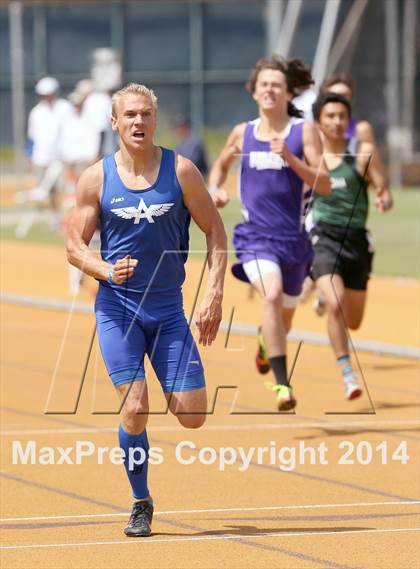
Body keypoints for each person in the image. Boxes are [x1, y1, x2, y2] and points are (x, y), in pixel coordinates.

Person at [66, 83, 227, 536]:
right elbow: (74, 245)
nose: (138, 122)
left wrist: (213, 293)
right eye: (129, 115)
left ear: (155, 120)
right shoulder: (96, 178)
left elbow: (216, 232)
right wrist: (102, 268)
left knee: (193, 415)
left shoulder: (182, 172)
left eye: (146, 114)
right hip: (118, 310)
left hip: (168, 311)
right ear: (114, 122)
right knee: (135, 407)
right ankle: (141, 501)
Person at [208, 55, 330, 411]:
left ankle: (266, 343)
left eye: (276, 84)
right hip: (255, 238)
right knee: (272, 296)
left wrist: (291, 159)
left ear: (288, 91)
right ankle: (282, 385)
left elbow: (323, 185)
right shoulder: (242, 133)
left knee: (284, 313)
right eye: (264, 84)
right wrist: (215, 189)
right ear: (254, 91)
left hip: (294, 242)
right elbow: (219, 165)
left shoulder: (303, 131)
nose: (270, 90)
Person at [311, 92, 392, 399]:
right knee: (335, 302)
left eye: (341, 116)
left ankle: (324, 295)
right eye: (329, 116)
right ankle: (347, 373)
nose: (336, 121)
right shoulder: (312, 157)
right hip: (323, 237)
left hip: (356, 242)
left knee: (353, 321)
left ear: (348, 122)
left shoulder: (360, 153)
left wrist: (383, 194)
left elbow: (382, 186)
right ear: (319, 122)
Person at [310, 72, 390, 316]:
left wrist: (381, 193)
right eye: (334, 95)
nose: (339, 100)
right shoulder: (313, 134)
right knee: (329, 287)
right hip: (319, 220)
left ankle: (324, 283)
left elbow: (373, 173)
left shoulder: (360, 132)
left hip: (352, 219)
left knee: (353, 318)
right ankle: (320, 280)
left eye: (345, 96)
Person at [23, 77, 73, 226]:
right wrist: (30, 158)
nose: (46, 97)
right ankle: (54, 218)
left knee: (62, 188)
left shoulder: (65, 108)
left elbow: (72, 131)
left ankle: (67, 218)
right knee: (47, 191)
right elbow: (32, 137)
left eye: (49, 93)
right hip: (41, 158)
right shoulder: (36, 112)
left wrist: (68, 152)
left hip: (61, 158)